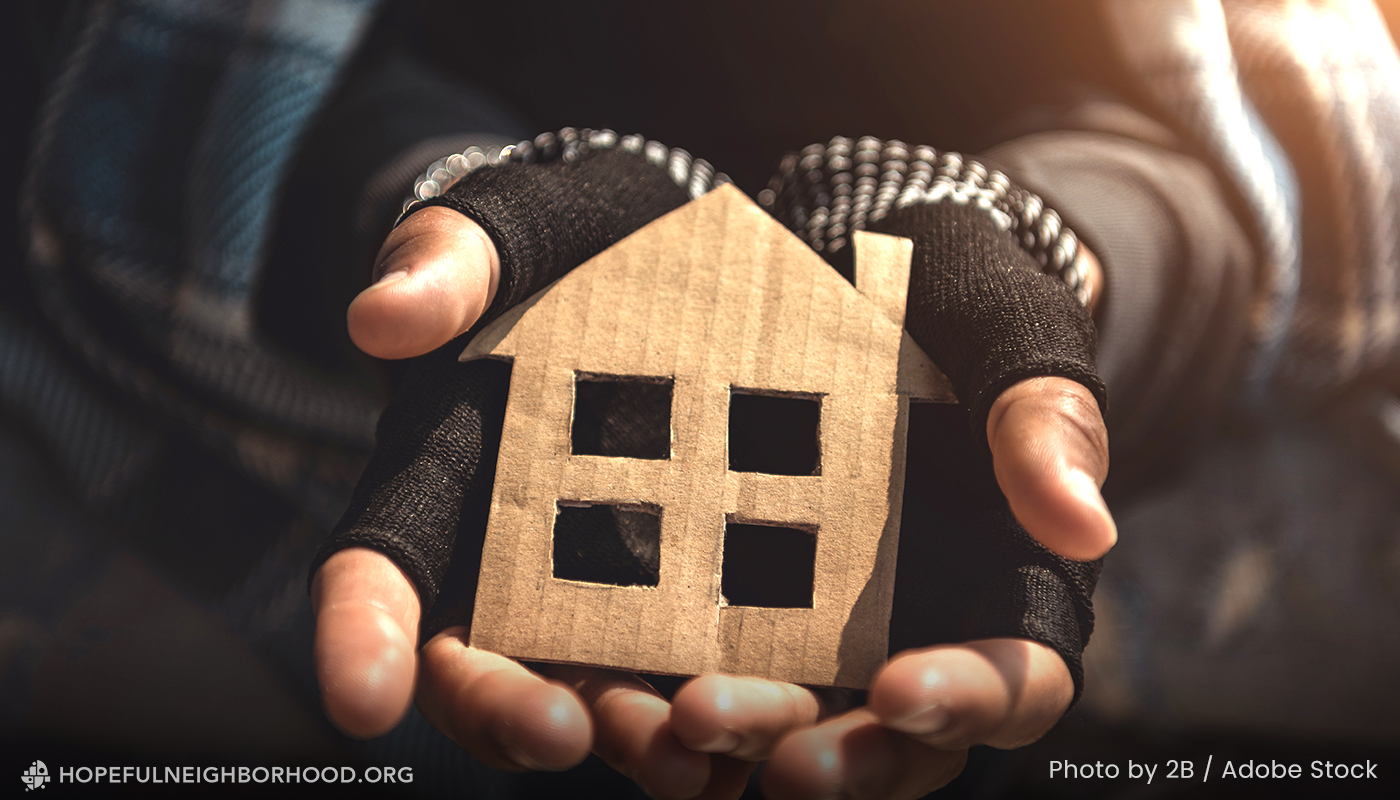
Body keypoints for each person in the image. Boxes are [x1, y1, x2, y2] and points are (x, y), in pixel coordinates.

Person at [5, 1, 1399, 798]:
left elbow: (1236, 142)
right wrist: (417, 190)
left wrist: (1073, 254)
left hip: (1076, 501)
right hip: (262, 354)